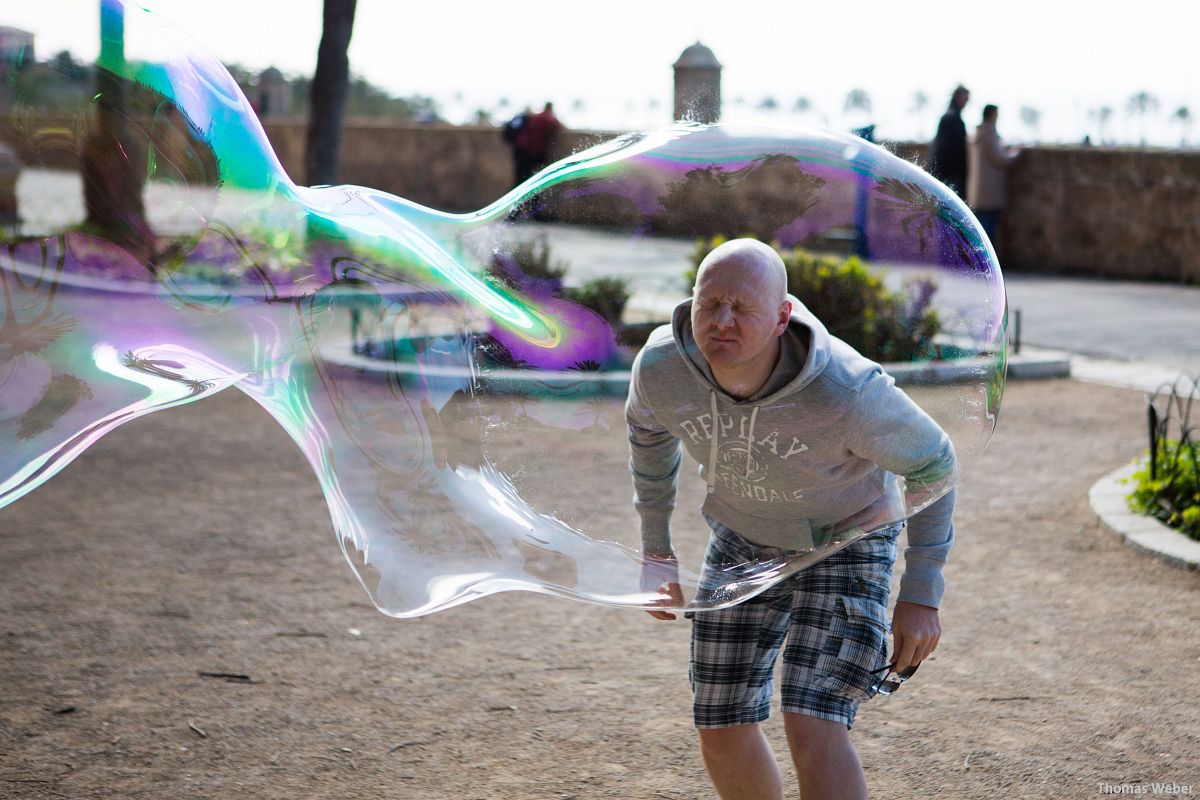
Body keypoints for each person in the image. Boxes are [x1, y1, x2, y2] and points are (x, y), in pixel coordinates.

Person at [626, 239, 956, 800]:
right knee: (720, 719)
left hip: (850, 535)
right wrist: (656, 549)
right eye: (710, 305)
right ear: (691, 304)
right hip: (741, 534)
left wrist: (921, 593)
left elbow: (935, 463)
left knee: (813, 719)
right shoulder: (662, 369)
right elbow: (648, 439)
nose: (722, 322)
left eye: (743, 308)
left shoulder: (847, 391)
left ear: (783, 317)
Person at [967, 104, 1017, 247]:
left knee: (980, 229)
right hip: (990, 190)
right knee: (988, 231)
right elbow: (999, 159)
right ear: (992, 115)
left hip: (977, 191)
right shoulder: (990, 134)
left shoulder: (977, 134)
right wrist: (1014, 154)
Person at [930, 85, 970, 200]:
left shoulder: (952, 118)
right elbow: (945, 151)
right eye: (965, 98)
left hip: (950, 179)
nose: (966, 102)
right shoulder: (951, 119)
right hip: (949, 179)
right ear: (957, 97)